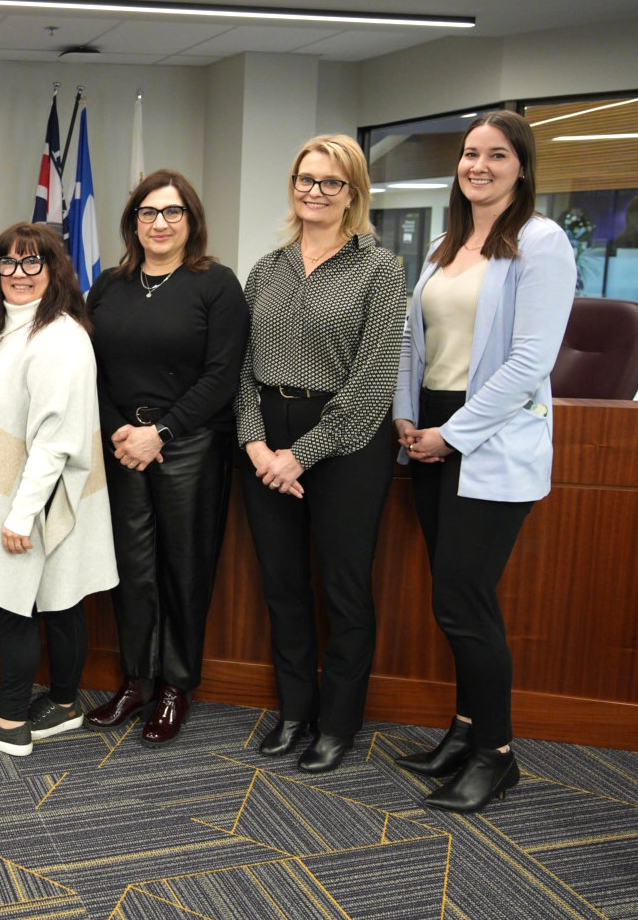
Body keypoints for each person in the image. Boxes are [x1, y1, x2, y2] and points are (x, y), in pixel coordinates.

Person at [392, 111, 576, 813]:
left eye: (496, 155)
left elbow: (530, 360)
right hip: (434, 433)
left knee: (461, 601)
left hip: (486, 439)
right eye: (470, 154)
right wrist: (407, 414)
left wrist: (454, 433)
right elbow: (418, 341)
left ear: (520, 167)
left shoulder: (539, 241)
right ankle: (464, 731)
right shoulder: (447, 242)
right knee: (454, 596)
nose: (478, 166)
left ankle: (496, 755)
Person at [235, 134, 405, 774]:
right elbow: (245, 368)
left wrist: (297, 456)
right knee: (282, 588)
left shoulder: (380, 270)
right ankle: (295, 712)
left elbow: (371, 385)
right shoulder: (266, 269)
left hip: (346, 445)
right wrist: (256, 445)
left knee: (343, 590)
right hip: (264, 438)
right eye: (306, 179)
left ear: (353, 192)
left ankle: (337, 724)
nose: (314, 191)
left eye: (330, 182)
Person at [85, 171, 248, 747]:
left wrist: (164, 430)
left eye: (172, 213)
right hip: (124, 447)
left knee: (183, 568)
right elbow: (90, 370)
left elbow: (223, 373)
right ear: (133, 222)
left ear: (191, 221)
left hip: (190, 446)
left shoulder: (216, 285)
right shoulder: (107, 286)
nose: (159, 223)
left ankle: (177, 686)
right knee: (133, 571)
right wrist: (121, 432)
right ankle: (137, 680)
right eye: (148, 213)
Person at [0, 223, 117, 755]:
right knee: (60, 601)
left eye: (32, 263)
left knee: (17, 606)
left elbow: (54, 441)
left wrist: (21, 515)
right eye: (8, 262)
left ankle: (11, 725)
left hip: (36, 499)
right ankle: (65, 703)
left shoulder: (59, 339)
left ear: (54, 271)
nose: (18, 274)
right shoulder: (11, 329)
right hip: (22, 492)